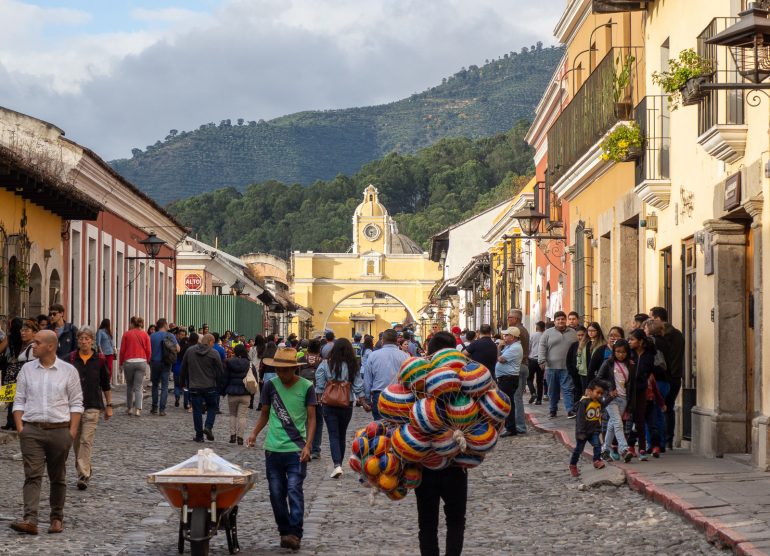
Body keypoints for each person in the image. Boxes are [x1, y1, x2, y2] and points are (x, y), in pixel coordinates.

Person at [11, 330, 83, 535]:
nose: (33, 345)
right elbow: (19, 399)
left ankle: (56, 517)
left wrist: (72, 432)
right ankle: (30, 519)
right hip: (32, 430)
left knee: (57, 476)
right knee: (32, 475)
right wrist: (20, 427)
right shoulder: (27, 369)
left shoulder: (68, 371)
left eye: (37, 343)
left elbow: (76, 403)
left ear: (50, 346)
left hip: (59, 430)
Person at [247, 347, 316, 551]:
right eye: (278, 370)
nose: (281, 374)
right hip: (273, 449)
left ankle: (295, 533)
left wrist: (309, 445)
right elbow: (265, 414)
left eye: (285, 370)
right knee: (276, 493)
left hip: (296, 449)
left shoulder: (307, 387)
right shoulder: (270, 386)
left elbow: (312, 419)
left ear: (295, 368)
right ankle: (284, 531)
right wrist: (254, 433)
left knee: (294, 490)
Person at [415, 330, 467, 556]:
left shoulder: (417, 377)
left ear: (430, 350)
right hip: (456, 462)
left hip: (424, 461)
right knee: (456, 519)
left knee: (427, 521)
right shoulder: (464, 377)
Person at [316, 338, 368, 478]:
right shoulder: (352, 365)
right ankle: (339, 463)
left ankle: (337, 464)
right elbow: (358, 385)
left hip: (329, 403)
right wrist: (363, 401)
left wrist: (319, 395)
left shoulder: (326, 363)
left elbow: (319, 379)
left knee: (333, 434)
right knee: (342, 434)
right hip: (346, 403)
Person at [69, 327, 112, 491]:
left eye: (87, 338)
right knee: (76, 441)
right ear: (78, 340)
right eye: (81, 338)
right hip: (73, 407)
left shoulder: (99, 359)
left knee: (86, 440)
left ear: (92, 341)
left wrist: (109, 406)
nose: (84, 341)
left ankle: (83, 475)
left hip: (93, 405)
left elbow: (105, 384)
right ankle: (84, 467)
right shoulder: (71, 359)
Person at [650, 306, 684, 450]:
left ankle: (662, 441)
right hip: (675, 376)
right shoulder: (678, 333)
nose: (649, 321)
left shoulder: (661, 337)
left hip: (666, 377)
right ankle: (667, 440)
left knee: (661, 408)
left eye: (651, 318)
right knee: (668, 408)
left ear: (658, 319)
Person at [180, 333, 224, 442]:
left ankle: (199, 436)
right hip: (210, 386)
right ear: (210, 342)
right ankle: (208, 426)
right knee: (212, 407)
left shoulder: (190, 351)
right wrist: (220, 385)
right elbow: (220, 371)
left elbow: (183, 368)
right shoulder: (214, 353)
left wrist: (182, 383)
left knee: (197, 410)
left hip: (194, 386)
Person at [596, 339, 634, 463]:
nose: (621, 354)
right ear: (614, 352)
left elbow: (630, 384)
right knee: (618, 423)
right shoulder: (608, 363)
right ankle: (624, 449)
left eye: (623, 352)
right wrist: (610, 388)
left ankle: (605, 450)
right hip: (610, 399)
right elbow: (599, 379)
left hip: (623, 399)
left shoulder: (630, 365)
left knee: (612, 425)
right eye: (618, 352)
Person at [537, 311, 578, 418]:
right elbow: (542, 346)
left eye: (562, 319)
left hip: (566, 367)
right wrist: (541, 360)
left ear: (565, 320)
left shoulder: (573, 333)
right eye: (558, 319)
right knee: (552, 390)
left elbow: (578, 348)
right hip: (551, 367)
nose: (560, 321)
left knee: (568, 389)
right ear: (554, 321)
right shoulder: (547, 333)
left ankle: (570, 410)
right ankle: (552, 410)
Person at [362, 329, 409, 421]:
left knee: (379, 427)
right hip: (398, 395)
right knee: (398, 426)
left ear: (382, 341)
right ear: (397, 341)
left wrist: (367, 399)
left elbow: (368, 379)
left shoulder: (373, 355)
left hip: (379, 395)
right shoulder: (405, 356)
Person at [627, 329, 658, 460]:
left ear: (640, 342)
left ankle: (649, 447)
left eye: (632, 340)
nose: (630, 342)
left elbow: (651, 372)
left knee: (647, 421)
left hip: (645, 391)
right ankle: (632, 446)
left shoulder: (649, 355)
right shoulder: (629, 354)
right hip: (631, 391)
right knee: (634, 421)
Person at [569, 380, 607, 477]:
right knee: (578, 450)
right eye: (597, 392)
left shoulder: (598, 402)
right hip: (583, 432)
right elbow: (580, 419)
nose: (599, 395)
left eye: (601, 393)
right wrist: (580, 432)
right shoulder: (584, 402)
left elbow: (605, 403)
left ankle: (597, 461)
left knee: (597, 445)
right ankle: (573, 465)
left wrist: (611, 396)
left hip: (593, 431)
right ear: (589, 391)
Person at [119, 316, 151, 416]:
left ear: (132, 324)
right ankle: (138, 409)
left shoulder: (126, 334)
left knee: (129, 386)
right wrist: (147, 361)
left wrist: (120, 363)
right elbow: (149, 350)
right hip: (141, 361)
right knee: (138, 387)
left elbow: (122, 350)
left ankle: (129, 408)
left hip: (129, 361)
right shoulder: (145, 335)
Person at [298, 339, 324, 459]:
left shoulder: (302, 360)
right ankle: (315, 449)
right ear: (319, 350)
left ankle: (303, 445)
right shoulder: (322, 362)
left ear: (308, 349)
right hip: (318, 396)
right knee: (317, 422)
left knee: (302, 421)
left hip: (303, 394)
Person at [222, 344, 252, 445]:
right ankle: (240, 437)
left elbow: (225, 377)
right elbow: (254, 378)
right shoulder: (248, 363)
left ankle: (232, 435)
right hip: (245, 392)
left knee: (232, 415)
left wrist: (222, 390)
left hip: (232, 391)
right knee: (242, 416)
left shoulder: (230, 362)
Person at [496, 327, 523, 437]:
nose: (504, 337)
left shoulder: (515, 348)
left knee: (508, 403)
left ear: (512, 337)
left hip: (508, 378)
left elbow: (501, 359)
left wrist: (498, 347)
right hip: (505, 378)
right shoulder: (510, 346)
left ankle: (511, 428)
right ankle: (509, 426)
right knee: (506, 402)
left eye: (506, 335)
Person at [149, 318, 179, 416]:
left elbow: (149, 350)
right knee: (165, 386)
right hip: (166, 362)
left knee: (155, 385)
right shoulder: (170, 335)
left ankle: (154, 407)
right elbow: (178, 349)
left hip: (155, 362)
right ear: (165, 325)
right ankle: (162, 410)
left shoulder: (152, 336)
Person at [2, 318, 26, 429]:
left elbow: (1, 348)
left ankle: (10, 422)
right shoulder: (24, 338)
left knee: (10, 397)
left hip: (10, 368)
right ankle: (19, 422)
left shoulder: (10, 337)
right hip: (22, 367)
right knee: (21, 396)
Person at [566, 325, 589, 406]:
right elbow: (568, 359)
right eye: (578, 335)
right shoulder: (574, 345)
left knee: (585, 390)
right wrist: (571, 371)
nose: (580, 337)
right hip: (575, 373)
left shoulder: (589, 345)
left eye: (582, 335)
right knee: (577, 390)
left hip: (586, 373)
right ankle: (577, 407)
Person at [172, 327, 189, 409]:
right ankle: (186, 403)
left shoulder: (176, 346)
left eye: (183, 335)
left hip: (177, 367)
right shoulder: (188, 347)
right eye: (181, 334)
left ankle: (177, 397)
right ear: (178, 335)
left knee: (177, 385)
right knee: (185, 386)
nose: (182, 336)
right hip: (184, 369)